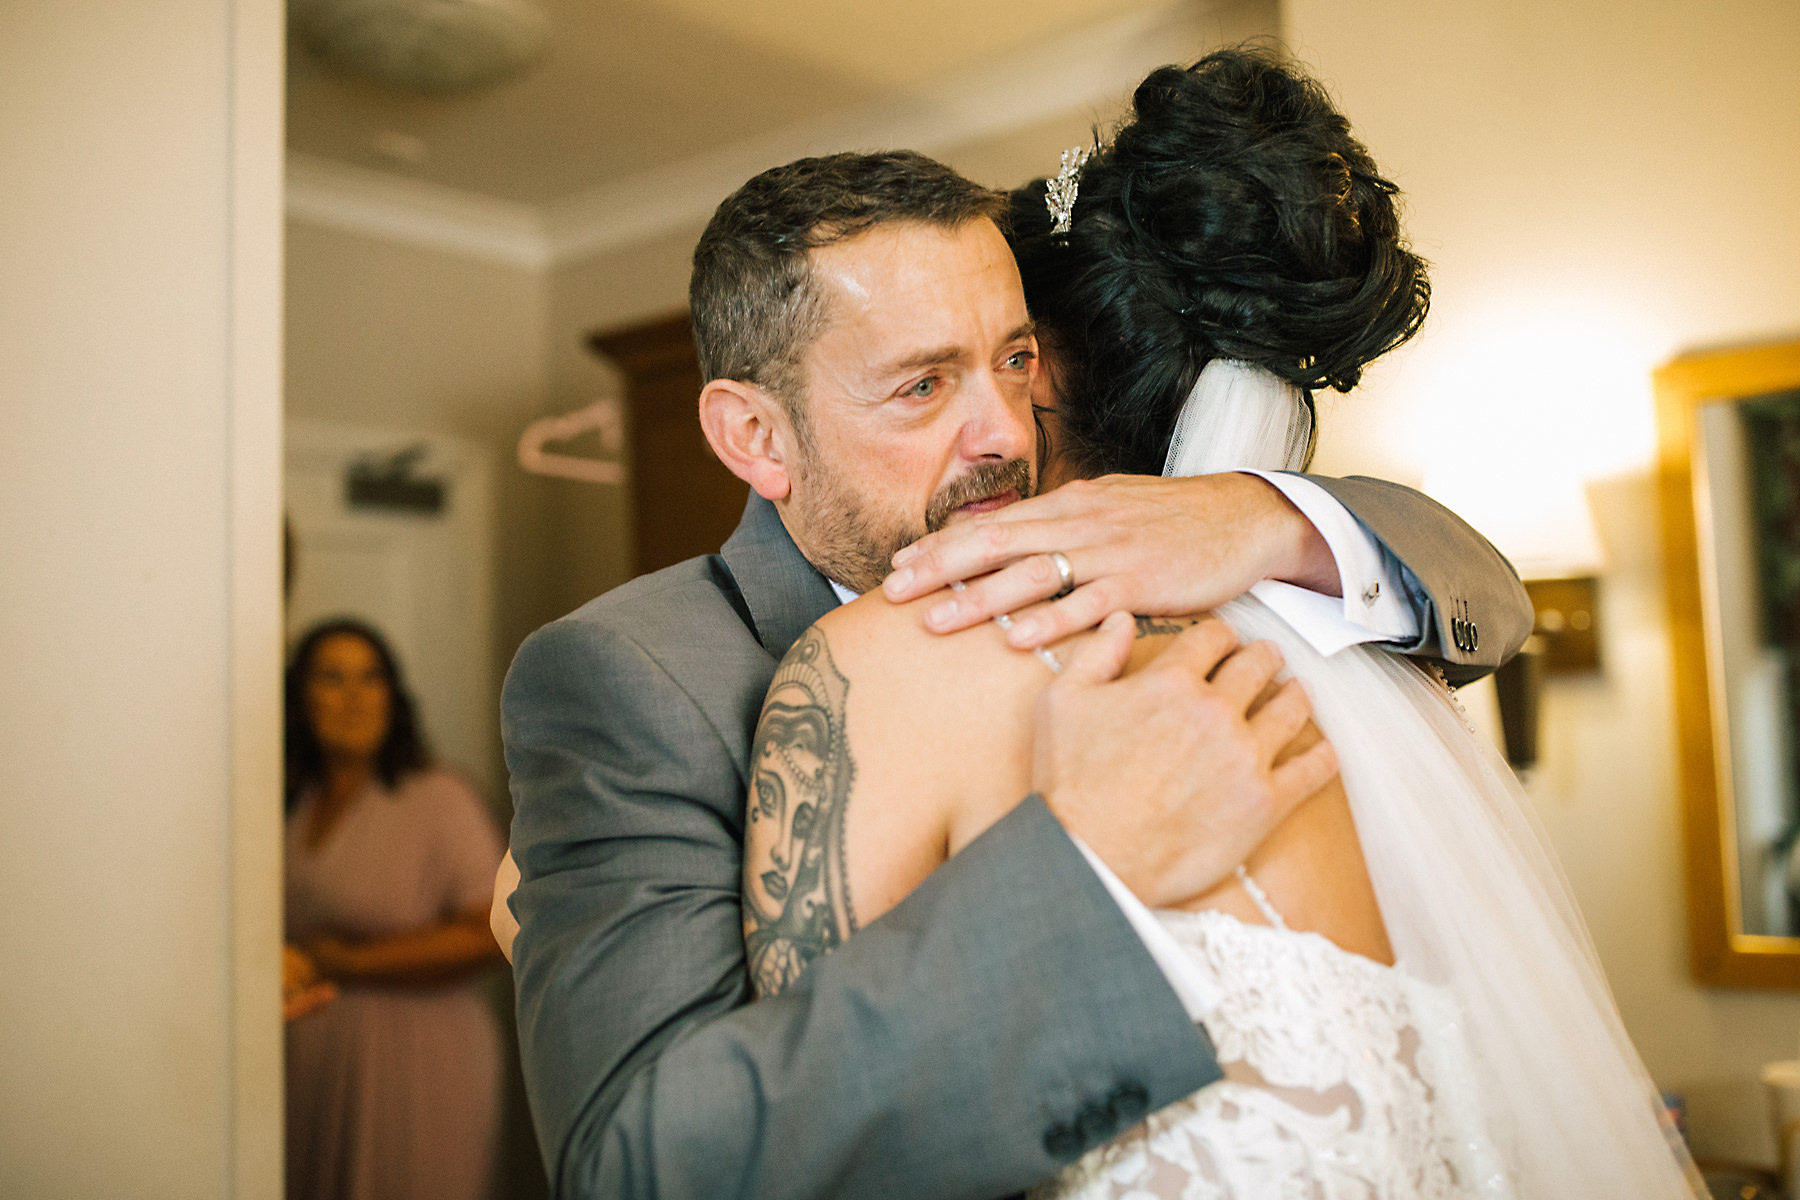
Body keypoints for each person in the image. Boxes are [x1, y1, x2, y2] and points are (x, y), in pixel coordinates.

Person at [742, 50, 1705, 1197]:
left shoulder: (883, 666)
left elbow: (806, 1150)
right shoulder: (1372, 672)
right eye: (923, 380)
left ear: (1038, 374)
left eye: (1001, 356)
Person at [500, 145, 1533, 1197]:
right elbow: (637, 1169)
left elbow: (1492, 604)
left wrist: (1267, 517)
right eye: (922, 385)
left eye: (1014, 357)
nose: (1003, 428)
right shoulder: (632, 674)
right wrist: (1088, 860)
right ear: (756, 435)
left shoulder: (1134, 566)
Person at [284, 619, 506, 1200]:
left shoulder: (437, 797)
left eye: (372, 677)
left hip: (416, 1064)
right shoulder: (290, 800)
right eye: (332, 678)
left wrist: (349, 963)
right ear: (300, 697)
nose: (355, 697)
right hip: (310, 1071)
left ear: (393, 695)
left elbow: (492, 930)